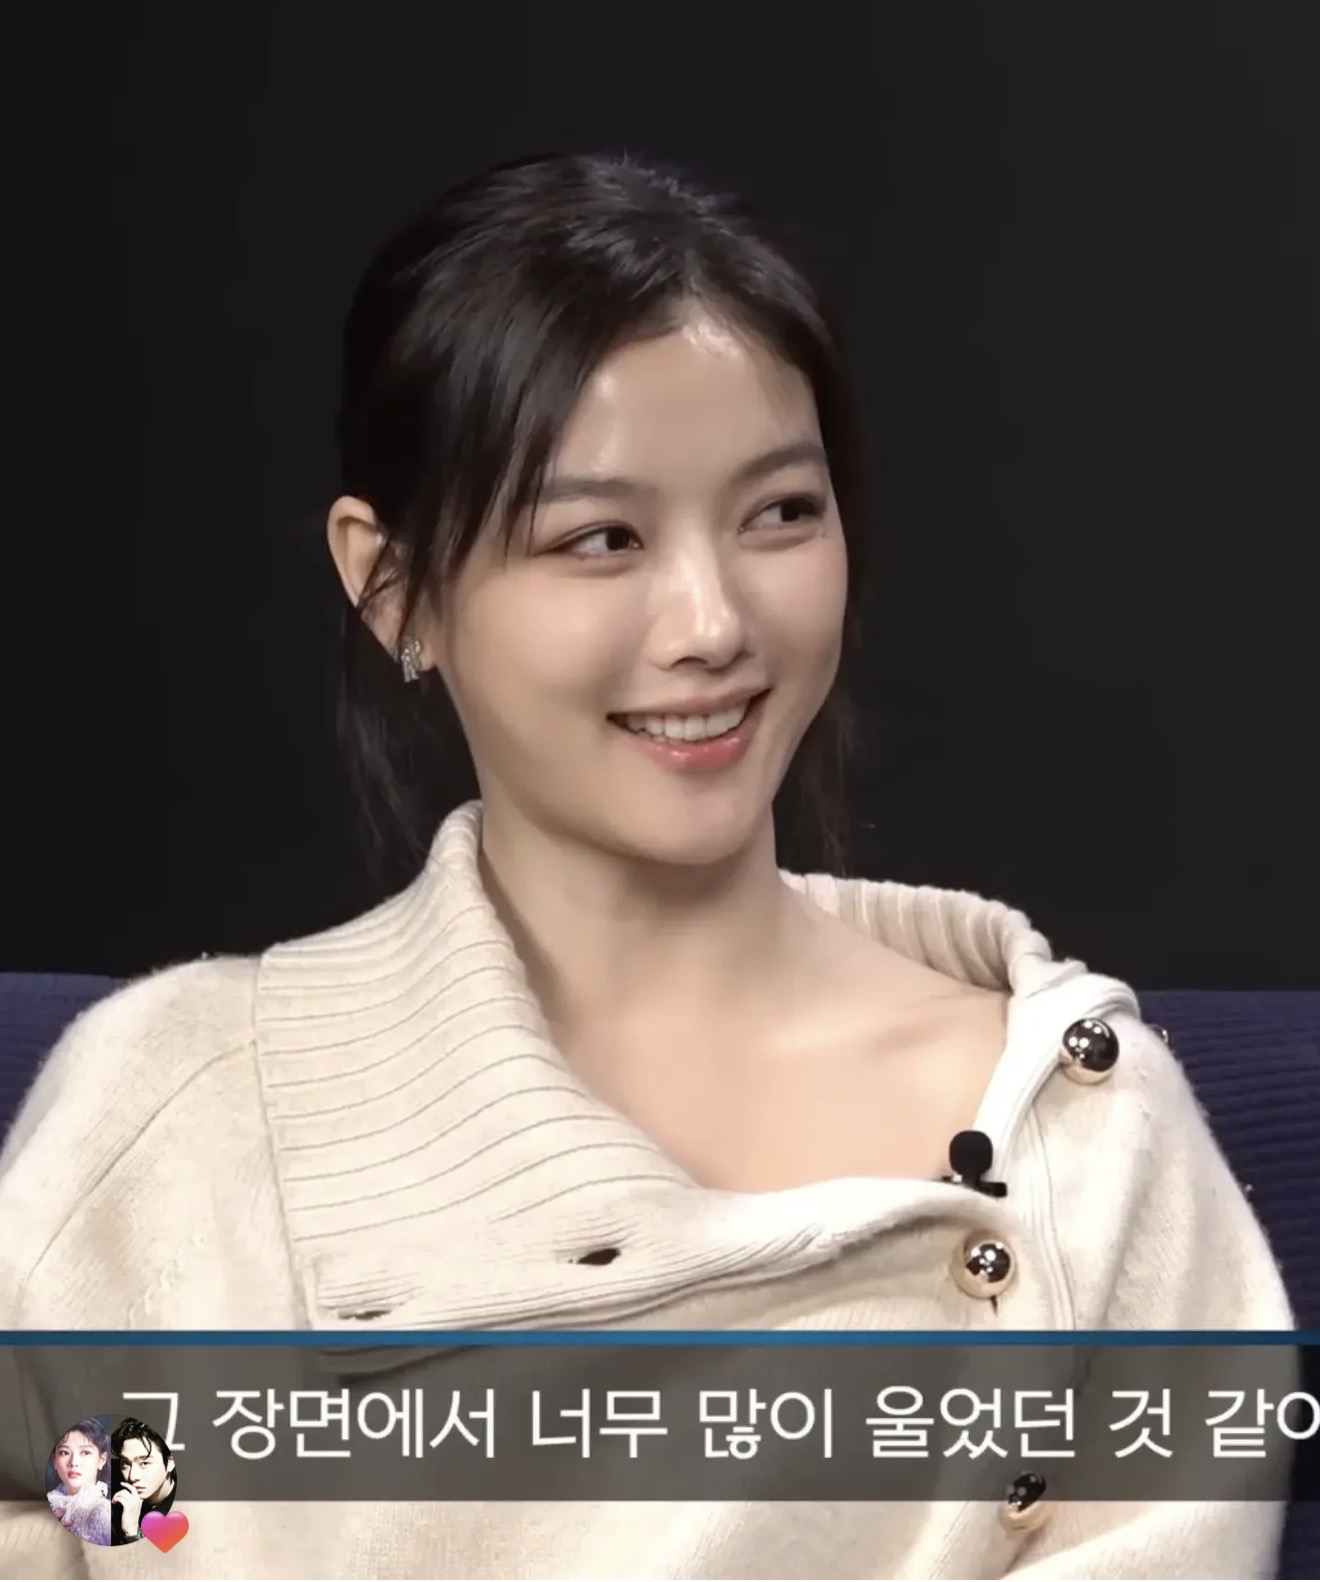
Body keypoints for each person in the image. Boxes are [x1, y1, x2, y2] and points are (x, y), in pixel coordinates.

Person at [0, 150, 1294, 1579]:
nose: (712, 623)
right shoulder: (170, 1113)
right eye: (600, 538)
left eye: (781, 513)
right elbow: (65, 1517)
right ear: (391, 586)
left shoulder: (1079, 1135)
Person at [109, 1418, 176, 1545]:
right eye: (126, 1464)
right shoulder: (112, 1489)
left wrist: (131, 1532)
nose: (132, 1476)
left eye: (144, 1463)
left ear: (170, 1463)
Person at [45, 1420, 111, 1547]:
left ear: (101, 1460)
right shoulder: (52, 1502)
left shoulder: (103, 1512)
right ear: (54, 1460)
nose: (73, 1462)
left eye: (85, 1452)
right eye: (64, 1452)